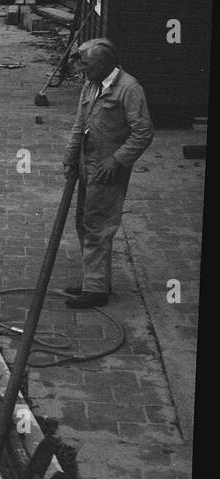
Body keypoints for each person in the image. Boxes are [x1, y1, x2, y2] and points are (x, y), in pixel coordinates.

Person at [61, 38, 153, 308]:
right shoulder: (91, 83)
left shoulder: (129, 89)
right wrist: (70, 157)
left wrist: (118, 160)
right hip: (86, 163)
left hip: (107, 169)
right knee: (85, 222)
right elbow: (80, 123)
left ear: (104, 65)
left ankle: (96, 290)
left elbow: (144, 132)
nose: (83, 70)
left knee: (98, 226)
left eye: (87, 65)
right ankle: (95, 280)